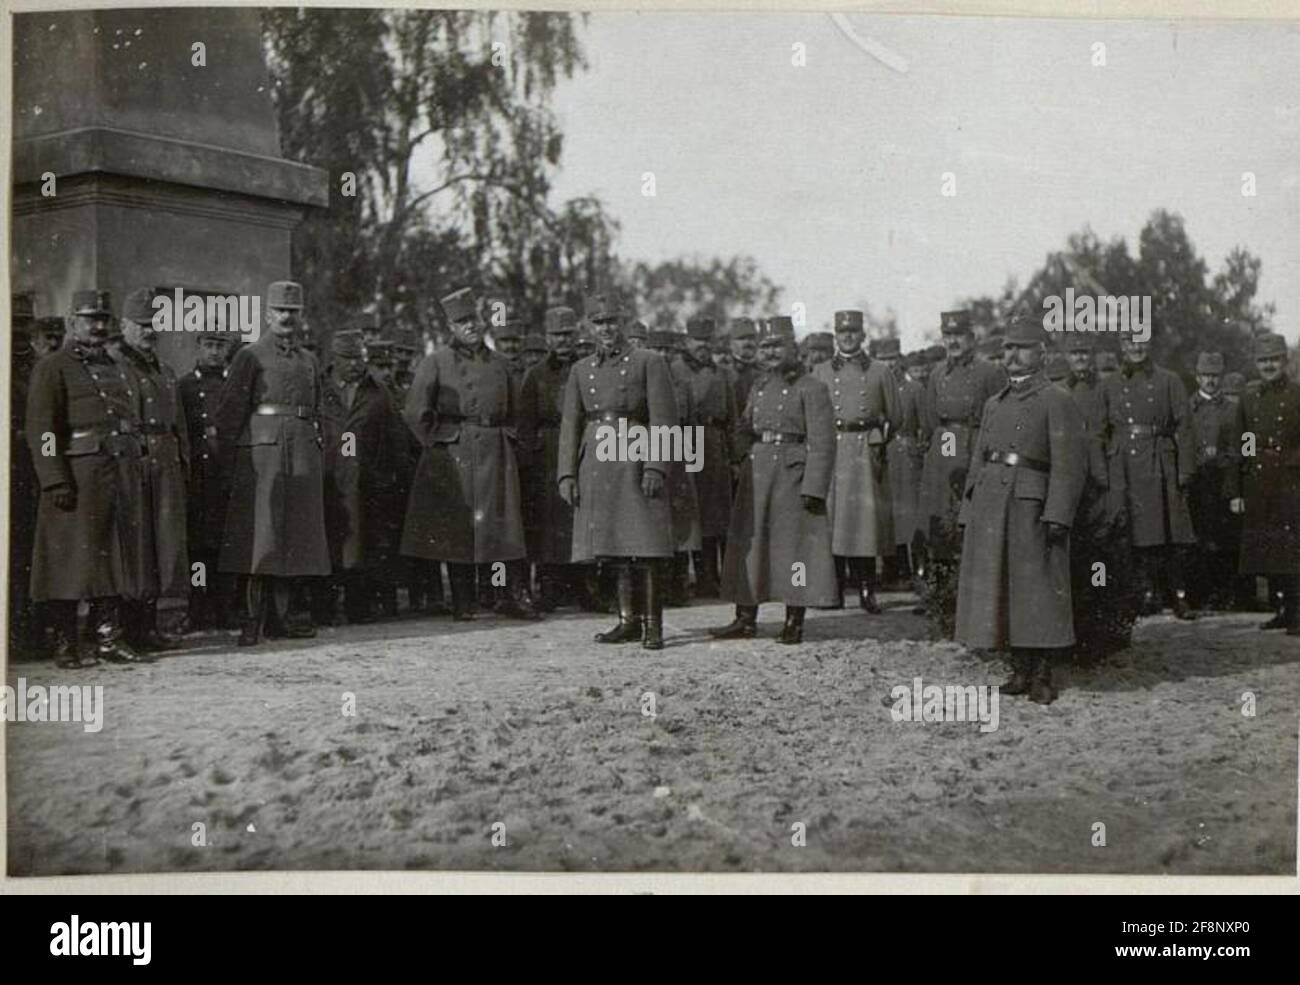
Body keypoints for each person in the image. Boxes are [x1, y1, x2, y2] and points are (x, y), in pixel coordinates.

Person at [954, 315, 1086, 704]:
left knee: (1038, 590)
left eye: (1022, 347)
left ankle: (1044, 672)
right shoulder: (995, 403)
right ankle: (1020, 668)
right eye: (1007, 348)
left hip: (1032, 505)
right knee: (1005, 587)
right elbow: (979, 458)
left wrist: (1058, 514)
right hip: (992, 504)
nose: (1012, 356)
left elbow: (1069, 464)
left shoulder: (1057, 400)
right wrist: (967, 511)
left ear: (1041, 353)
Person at [26, 290, 151, 666]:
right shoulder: (53, 366)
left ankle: (108, 638)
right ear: (72, 323)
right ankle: (65, 642)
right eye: (89, 319)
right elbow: (42, 431)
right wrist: (54, 480)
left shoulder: (115, 366)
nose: (98, 326)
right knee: (68, 563)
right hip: (75, 479)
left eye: (103, 319)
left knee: (112, 560)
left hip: (114, 475)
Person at [401, 287, 538, 620]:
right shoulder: (436, 363)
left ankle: (503, 595)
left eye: (473, 319)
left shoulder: (502, 364)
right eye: (461, 321)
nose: (470, 326)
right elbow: (415, 413)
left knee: (500, 533)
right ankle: (464, 601)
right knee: (458, 532)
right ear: (451, 327)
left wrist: (509, 440)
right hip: (456, 455)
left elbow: (518, 413)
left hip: (496, 453)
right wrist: (444, 441)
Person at [214, 280, 331, 645]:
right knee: (259, 536)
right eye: (280, 311)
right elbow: (230, 411)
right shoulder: (249, 356)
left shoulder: (308, 360)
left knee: (295, 537)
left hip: (300, 452)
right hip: (261, 455)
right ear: (267, 314)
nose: (286, 318)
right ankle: (252, 619)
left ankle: (283, 618)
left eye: (293, 312)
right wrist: (231, 461)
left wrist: (319, 447)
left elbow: (320, 410)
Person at [557, 291, 677, 650]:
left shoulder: (648, 361)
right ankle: (627, 621)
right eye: (598, 323)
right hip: (597, 459)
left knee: (646, 544)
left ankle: (653, 625)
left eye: (611, 322)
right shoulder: (581, 369)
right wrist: (566, 473)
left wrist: (657, 465)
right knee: (615, 546)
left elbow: (664, 418)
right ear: (589, 327)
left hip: (636, 455)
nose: (605, 329)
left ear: (622, 323)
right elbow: (570, 425)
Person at [712, 315, 838, 643]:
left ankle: (794, 620)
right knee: (749, 547)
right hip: (757, 475)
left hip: (792, 477)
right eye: (765, 346)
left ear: (792, 347)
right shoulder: (760, 385)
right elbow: (744, 425)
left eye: (776, 345)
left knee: (794, 552)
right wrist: (739, 456)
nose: (769, 353)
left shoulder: (812, 387)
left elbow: (824, 443)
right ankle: (745, 618)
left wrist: (814, 486)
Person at [1098, 333, 1197, 619]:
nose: (1136, 347)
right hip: (1124, 465)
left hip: (1160, 460)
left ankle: (1179, 597)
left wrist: (1186, 469)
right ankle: (1143, 595)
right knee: (1129, 534)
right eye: (1130, 342)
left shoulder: (1169, 380)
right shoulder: (1110, 384)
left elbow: (1185, 427)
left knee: (1172, 534)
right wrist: (1102, 473)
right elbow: (1098, 432)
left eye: (1141, 341)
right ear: (1122, 346)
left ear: (1149, 343)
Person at [316, 329, 411, 624]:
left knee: (362, 544)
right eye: (349, 358)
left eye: (361, 358)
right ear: (334, 359)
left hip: (366, 482)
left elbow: (396, 438)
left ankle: (359, 606)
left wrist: (394, 477)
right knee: (327, 544)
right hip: (326, 481)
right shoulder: (318, 388)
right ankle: (325, 607)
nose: (356, 364)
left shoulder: (378, 392)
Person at [119, 288, 191, 651]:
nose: (149, 331)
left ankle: (149, 627)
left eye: (153, 325)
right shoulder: (118, 366)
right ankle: (126, 630)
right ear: (124, 327)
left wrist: (184, 463)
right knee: (136, 547)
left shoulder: (166, 371)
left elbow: (178, 424)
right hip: (134, 463)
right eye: (141, 325)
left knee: (164, 546)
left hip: (165, 463)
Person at [812, 310, 898, 612]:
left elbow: (895, 416)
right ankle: (833, 589)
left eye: (853, 331)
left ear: (863, 335)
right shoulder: (820, 371)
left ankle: (865, 590)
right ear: (836, 335)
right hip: (832, 448)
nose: (847, 336)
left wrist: (876, 444)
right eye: (842, 332)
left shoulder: (879, 371)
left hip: (863, 449)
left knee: (863, 524)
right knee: (833, 521)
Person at [518, 306, 590, 611]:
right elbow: (525, 423)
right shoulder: (535, 375)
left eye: (567, 334)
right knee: (548, 521)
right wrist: (528, 461)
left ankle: (585, 585)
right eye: (557, 335)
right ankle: (549, 587)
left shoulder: (588, 368)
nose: (563, 340)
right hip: (547, 452)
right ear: (547, 338)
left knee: (582, 516)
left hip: (582, 448)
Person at [919, 310, 1007, 546]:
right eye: (947, 335)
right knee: (944, 502)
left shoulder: (989, 372)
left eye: (959, 335)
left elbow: (1001, 416)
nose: (953, 341)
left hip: (977, 443)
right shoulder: (938, 374)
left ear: (972, 337)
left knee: (974, 506)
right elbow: (931, 420)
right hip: (946, 442)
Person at [1233, 332, 1300, 634]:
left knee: (1291, 546)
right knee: (1267, 547)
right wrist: (1238, 486)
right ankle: (1282, 608)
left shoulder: (1297, 395)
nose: (1269, 365)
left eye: (1274, 360)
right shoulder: (1249, 398)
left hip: (1290, 479)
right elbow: (1243, 441)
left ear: (1285, 361)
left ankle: (1297, 611)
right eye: (1263, 360)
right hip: (1258, 479)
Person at [178, 327, 233, 631]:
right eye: (209, 344)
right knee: (199, 550)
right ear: (198, 346)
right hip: (199, 479)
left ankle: (225, 607)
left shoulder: (234, 385)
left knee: (225, 548)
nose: (214, 351)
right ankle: (198, 607)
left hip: (227, 477)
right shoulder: (185, 386)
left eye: (220, 346)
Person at [678, 316, 736, 597]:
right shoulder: (675, 371)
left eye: (707, 341)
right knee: (693, 512)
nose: (703, 346)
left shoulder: (722, 373)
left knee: (716, 514)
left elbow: (733, 417)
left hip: (715, 443)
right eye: (698, 341)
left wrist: (734, 456)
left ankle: (715, 577)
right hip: (688, 441)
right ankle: (696, 577)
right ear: (687, 342)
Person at [1186, 352, 1246, 609]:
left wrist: (1237, 483)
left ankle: (1226, 594)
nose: (1210, 381)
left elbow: (1244, 446)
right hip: (1197, 482)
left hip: (1224, 481)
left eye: (1214, 376)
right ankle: (1200, 595)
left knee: (1226, 541)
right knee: (1198, 539)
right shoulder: (1187, 408)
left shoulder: (1234, 410)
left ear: (1220, 377)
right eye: (1205, 376)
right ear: (1197, 377)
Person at [648, 327, 702, 605]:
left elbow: (691, 424)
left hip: (679, 452)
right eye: (657, 349)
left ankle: (678, 585)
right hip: (650, 450)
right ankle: (654, 587)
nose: (662, 354)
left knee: (682, 520)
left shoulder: (682, 384)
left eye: (667, 350)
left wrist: (695, 461)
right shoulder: (642, 378)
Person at [878, 337, 924, 587]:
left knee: (911, 512)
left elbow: (926, 426)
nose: (888, 364)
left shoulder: (914, 389)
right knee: (887, 514)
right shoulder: (873, 387)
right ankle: (892, 568)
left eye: (892, 358)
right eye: (883, 359)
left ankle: (918, 569)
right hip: (882, 454)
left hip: (906, 454)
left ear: (900, 359)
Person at [10, 293, 41, 657]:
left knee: (29, 556)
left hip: (30, 471)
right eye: (14, 323)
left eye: (23, 324)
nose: (19, 331)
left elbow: (47, 430)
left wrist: (40, 445)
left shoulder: (39, 366)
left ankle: (29, 632)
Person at [729, 317, 760, 409]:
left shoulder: (765, 371)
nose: (747, 342)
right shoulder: (724, 371)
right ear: (731, 343)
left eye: (751, 338)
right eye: (741, 338)